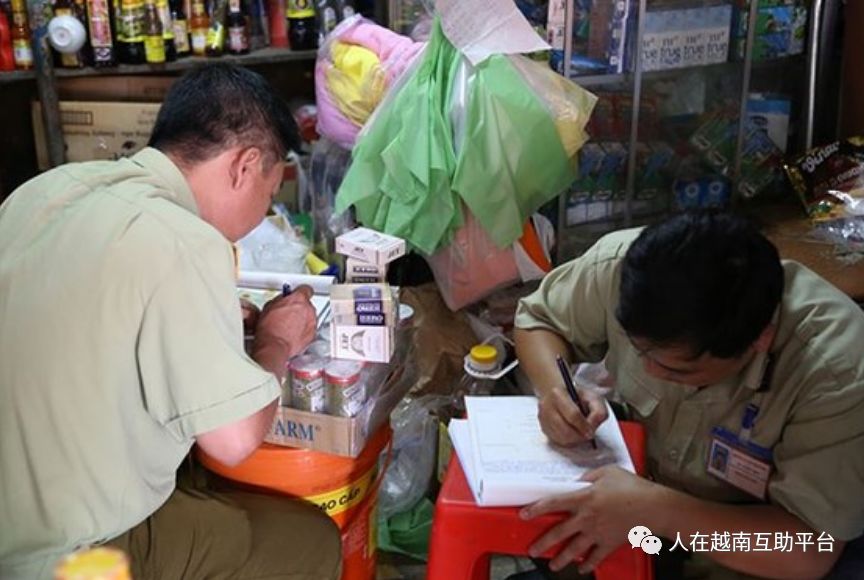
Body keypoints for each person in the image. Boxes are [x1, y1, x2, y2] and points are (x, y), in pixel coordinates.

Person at [0, 63, 341, 579]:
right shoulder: (186, 239)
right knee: (309, 540)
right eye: (268, 195)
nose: (262, 211)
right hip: (63, 556)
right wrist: (276, 343)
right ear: (244, 166)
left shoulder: (45, 190)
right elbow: (233, 442)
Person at [513, 212, 864, 579]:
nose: (649, 371)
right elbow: (540, 319)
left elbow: (807, 551)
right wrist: (557, 390)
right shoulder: (625, 269)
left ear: (759, 340)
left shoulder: (837, 370)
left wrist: (655, 509)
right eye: (639, 352)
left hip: (746, 549)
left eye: (678, 370)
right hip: (636, 514)